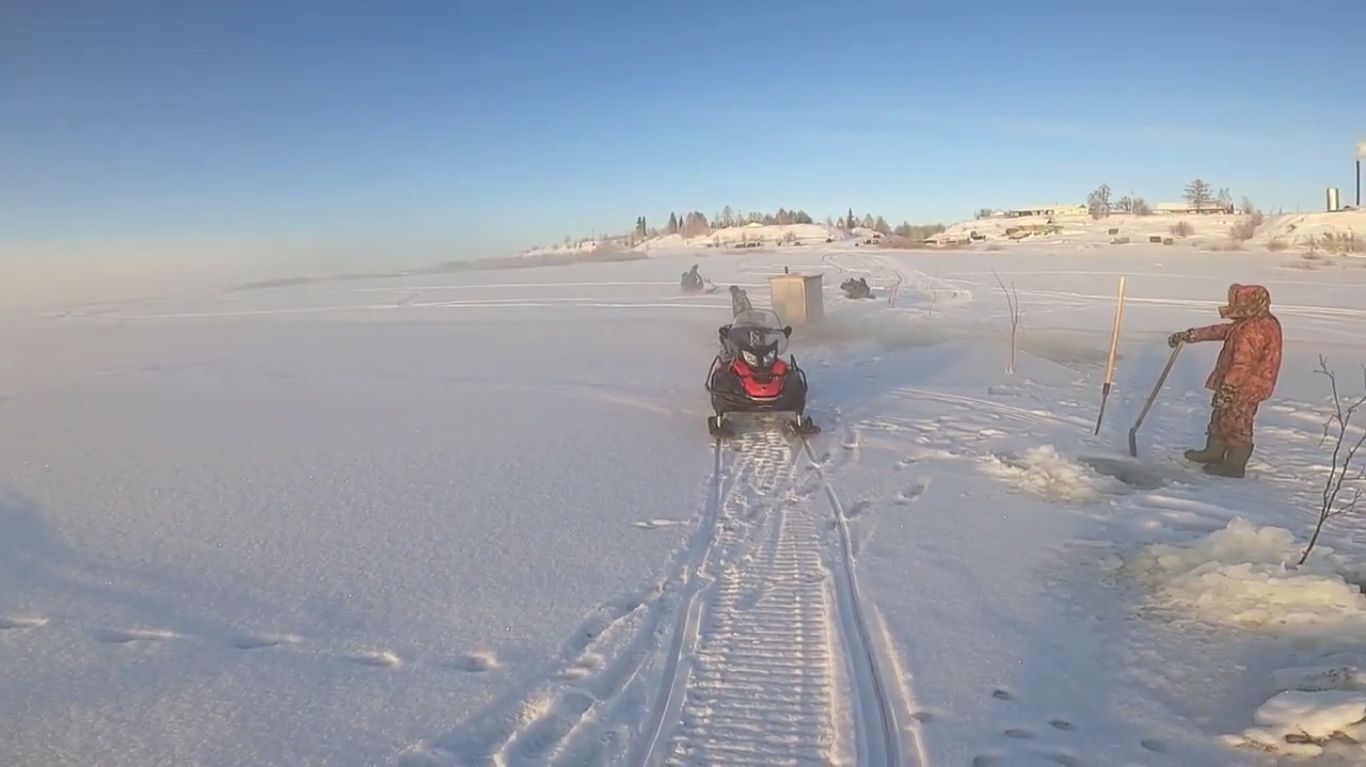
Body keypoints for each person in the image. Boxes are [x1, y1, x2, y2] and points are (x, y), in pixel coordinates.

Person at [1168, 283, 1282, 478]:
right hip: (1236, 381)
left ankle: (1235, 464)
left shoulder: (1255, 330)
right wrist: (1191, 335)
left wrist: (1229, 388)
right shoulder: (1250, 322)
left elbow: (1242, 363)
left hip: (1246, 385)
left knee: (1238, 421)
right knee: (1221, 415)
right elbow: (1223, 331)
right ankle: (1214, 451)